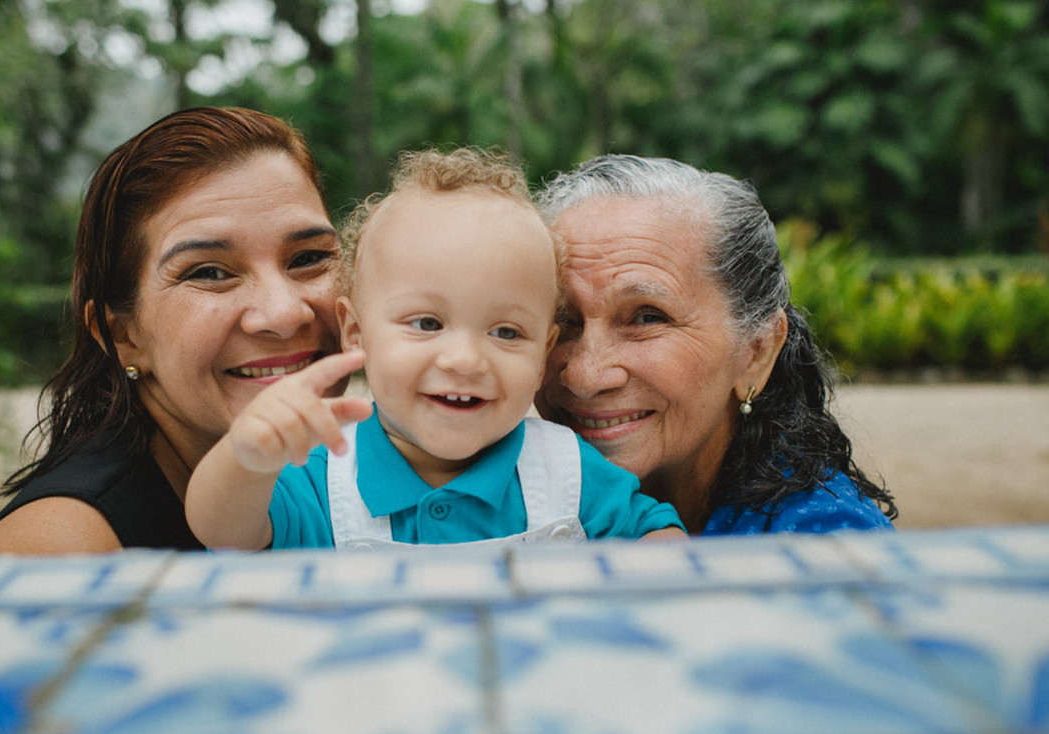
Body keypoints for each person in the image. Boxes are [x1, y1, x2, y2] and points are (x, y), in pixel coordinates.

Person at [185, 148, 686, 550]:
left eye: (506, 333)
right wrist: (245, 458)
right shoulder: (326, 471)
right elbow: (224, 532)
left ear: (543, 356)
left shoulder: (566, 470)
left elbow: (656, 535)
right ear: (355, 333)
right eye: (427, 323)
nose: (465, 360)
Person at [0, 106, 347, 555]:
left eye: (308, 258)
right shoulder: (64, 548)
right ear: (122, 335)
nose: (284, 314)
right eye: (209, 272)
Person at [533, 155, 897, 535]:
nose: (584, 375)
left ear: (756, 352)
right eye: (562, 318)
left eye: (647, 317)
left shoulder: (824, 548)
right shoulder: (509, 505)